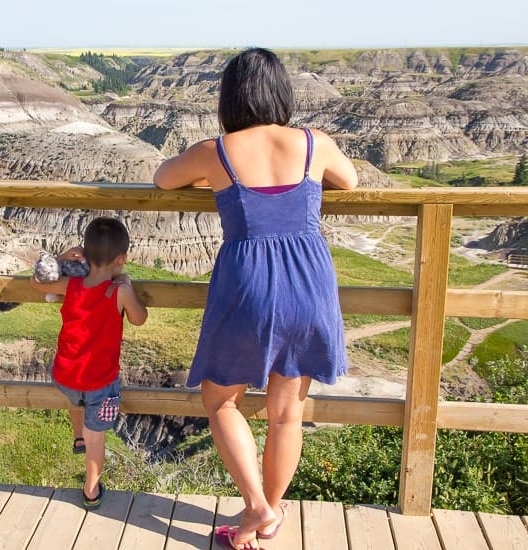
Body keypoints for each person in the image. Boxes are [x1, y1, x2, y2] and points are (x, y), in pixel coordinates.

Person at [153, 48, 357, 549]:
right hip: (309, 280)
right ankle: (270, 513)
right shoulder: (315, 143)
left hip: (248, 282)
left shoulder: (216, 150)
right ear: (282, 93)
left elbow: (162, 178)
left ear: (230, 97)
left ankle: (257, 508)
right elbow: (349, 181)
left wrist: (214, 178)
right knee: (289, 410)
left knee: (219, 398)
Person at [30, 216, 148, 510]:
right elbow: (139, 318)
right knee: (98, 435)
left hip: (66, 375)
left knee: (75, 399)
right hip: (102, 382)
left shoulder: (71, 286)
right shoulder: (118, 291)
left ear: (84, 253)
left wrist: (59, 257)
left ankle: (77, 436)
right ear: (121, 259)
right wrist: (128, 284)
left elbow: (36, 281)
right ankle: (91, 489)